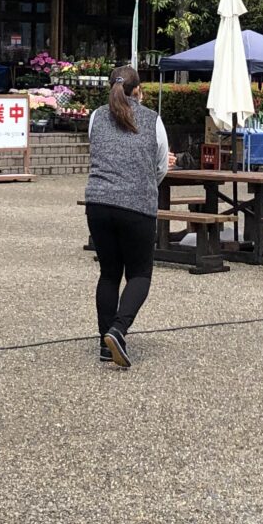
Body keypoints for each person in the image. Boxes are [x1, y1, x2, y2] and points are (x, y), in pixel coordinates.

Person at [82, 63, 172, 369]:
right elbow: (161, 166)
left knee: (109, 273)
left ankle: (104, 344)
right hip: (137, 205)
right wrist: (144, 183)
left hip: (98, 203)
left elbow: (96, 151)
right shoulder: (152, 119)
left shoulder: (96, 117)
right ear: (138, 91)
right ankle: (118, 329)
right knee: (140, 274)